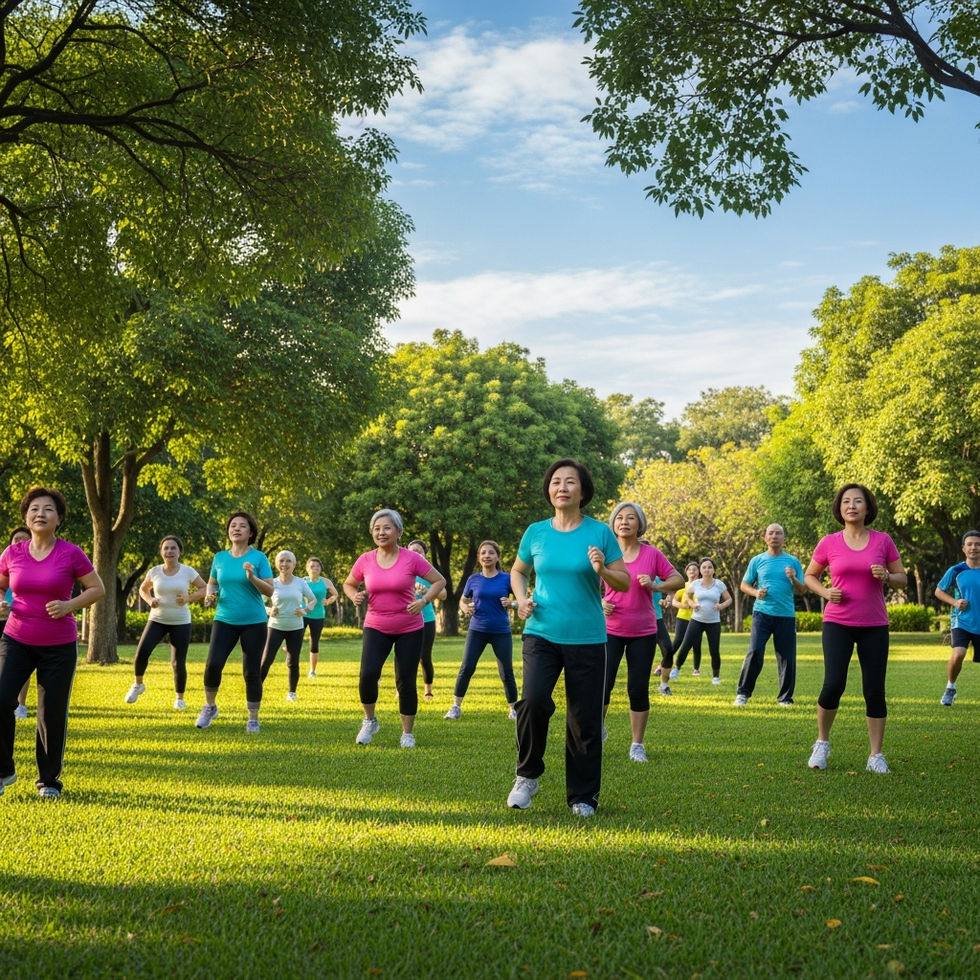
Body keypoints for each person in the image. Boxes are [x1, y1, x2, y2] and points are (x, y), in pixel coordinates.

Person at [507, 458, 629, 817]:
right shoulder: (536, 532)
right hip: (541, 631)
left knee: (584, 717)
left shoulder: (599, 533)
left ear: (583, 490)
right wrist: (520, 599)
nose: (562, 487)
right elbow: (518, 570)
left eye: (570, 482)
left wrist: (603, 568)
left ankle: (583, 797)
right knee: (531, 701)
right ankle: (527, 775)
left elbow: (621, 582)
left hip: (588, 636)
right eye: (556, 481)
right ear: (549, 490)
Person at [0, 487, 105, 799]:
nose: (40, 514)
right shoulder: (12, 554)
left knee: (51, 713)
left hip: (58, 644)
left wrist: (69, 605)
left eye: (48, 509)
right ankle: (4, 771)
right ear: (26, 516)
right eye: (34, 509)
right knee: (1, 699)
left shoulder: (71, 553)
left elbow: (96, 588)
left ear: (59, 518)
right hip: (15, 638)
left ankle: (48, 781)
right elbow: (1, 585)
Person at [804, 484, 906, 774]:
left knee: (874, 690)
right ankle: (822, 743)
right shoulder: (829, 542)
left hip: (874, 624)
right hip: (837, 622)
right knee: (833, 684)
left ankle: (875, 756)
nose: (852, 506)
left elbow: (902, 578)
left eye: (858, 501)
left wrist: (887, 575)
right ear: (839, 508)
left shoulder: (883, 541)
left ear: (867, 508)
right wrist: (825, 593)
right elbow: (810, 575)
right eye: (846, 501)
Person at [343, 510, 446, 749]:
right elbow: (349, 583)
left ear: (398, 532)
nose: (381, 532)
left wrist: (424, 601)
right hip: (376, 625)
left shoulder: (412, 558)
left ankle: (407, 733)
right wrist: (354, 595)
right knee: (368, 674)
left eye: (387, 527)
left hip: (409, 627)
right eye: (377, 528)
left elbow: (439, 581)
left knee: (406, 681)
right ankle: (369, 721)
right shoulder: (365, 559)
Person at [601, 502, 682, 761]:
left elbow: (678, 580)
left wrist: (656, 587)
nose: (624, 522)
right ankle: (596, 732)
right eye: (619, 518)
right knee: (603, 685)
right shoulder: (604, 553)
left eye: (631, 518)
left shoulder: (652, 554)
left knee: (637, 688)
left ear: (639, 524)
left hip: (642, 631)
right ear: (613, 524)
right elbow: (585, 586)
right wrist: (598, 601)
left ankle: (637, 745)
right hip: (609, 631)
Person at [197, 512, 274, 733]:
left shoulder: (259, 558)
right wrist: (210, 595)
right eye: (233, 525)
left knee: (251, 671)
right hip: (225, 619)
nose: (236, 529)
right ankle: (210, 707)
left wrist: (252, 577)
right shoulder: (219, 558)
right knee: (213, 664)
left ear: (251, 532)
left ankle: (253, 718)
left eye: (242, 526)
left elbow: (270, 590)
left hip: (254, 620)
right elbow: (212, 583)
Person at [126, 536, 207, 710]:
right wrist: (149, 600)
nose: (169, 551)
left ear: (180, 552)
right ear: (161, 552)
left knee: (178, 661)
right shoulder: (155, 571)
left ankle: (179, 699)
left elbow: (205, 588)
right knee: (142, 652)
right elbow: (143, 589)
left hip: (181, 621)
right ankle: (138, 685)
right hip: (157, 619)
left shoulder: (188, 571)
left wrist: (188, 598)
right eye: (166, 548)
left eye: (173, 548)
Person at [733, 524, 807, 707]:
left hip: (786, 615)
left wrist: (793, 578)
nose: (775, 536)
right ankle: (743, 694)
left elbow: (802, 590)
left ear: (783, 537)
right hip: (762, 613)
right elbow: (744, 585)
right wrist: (756, 592)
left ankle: (785, 698)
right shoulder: (757, 561)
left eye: (779, 533)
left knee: (787, 657)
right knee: (755, 651)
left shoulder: (793, 561)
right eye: (771, 533)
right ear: (765, 537)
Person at [444, 540, 518, 720]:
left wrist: (512, 603)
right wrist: (464, 607)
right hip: (477, 630)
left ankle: (514, 710)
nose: (486, 556)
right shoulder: (473, 579)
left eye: (491, 553)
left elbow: (520, 600)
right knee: (467, 667)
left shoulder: (507, 579)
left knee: (506, 671)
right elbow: (463, 600)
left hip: (501, 630)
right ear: (479, 557)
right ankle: (455, 707)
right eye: (483, 553)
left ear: (497, 556)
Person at [260, 551, 317, 701]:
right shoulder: (271, 583)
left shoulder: (300, 582)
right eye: (281, 561)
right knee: (266, 659)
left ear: (294, 564)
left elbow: (313, 600)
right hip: (275, 626)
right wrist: (269, 610)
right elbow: (259, 602)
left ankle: (291, 693)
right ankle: (256, 687)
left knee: (293, 661)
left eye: (288, 561)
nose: (284, 564)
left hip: (296, 627)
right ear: (277, 564)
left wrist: (305, 610)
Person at [934, 530, 980, 706]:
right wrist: (954, 602)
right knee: (959, 653)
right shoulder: (956, 570)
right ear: (963, 548)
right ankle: (950, 687)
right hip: (962, 620)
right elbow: (938, 591)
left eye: (977, 544)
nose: (974, 547)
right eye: (970, 544)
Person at [672, 559, 732, 684]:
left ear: (713, 570)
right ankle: (676, 668)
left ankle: (716, 677)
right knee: (686, 645)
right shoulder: (696, 584)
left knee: (714, 650)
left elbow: (729, 599)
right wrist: (692, 603)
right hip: (696, 620)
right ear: (700, 570)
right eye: (704, 567)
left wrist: (721, 606)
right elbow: (687, 596)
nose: (706, 569)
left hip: (713, 622)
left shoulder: (719, 584)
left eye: (709, 567)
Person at [407, 539, 447, 699]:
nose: (415, 553)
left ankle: (427, 690)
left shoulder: (428, 573)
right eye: (412, 550)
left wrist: (428, 591)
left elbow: (443, 595)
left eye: (418, 551)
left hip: (426, 620)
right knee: (402, 656)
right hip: (404, 619)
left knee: (424, 656)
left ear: (424, 554)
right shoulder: (402, 570)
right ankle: (400, 689)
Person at [0, 527, 31, 720]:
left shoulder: (36, 567)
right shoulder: (5, 563)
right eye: (16, 539)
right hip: (2, 619)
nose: (19, 542)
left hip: (21, 624)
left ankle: (21, 704)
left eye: (24, 539)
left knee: (21, 665)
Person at [302, 557, 338, 678]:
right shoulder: (302, 581)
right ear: (307, 568)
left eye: (317, 566)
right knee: (295, 639)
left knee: (314, 643)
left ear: (320, 569)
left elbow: (335, 594)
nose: (315, 568)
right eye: (312, 566)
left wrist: (328, 601)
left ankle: (312, 671)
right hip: (303, 614)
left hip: (318, 615)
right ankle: (291, 661)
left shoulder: (325, 582)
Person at [666, 562, 702, 679]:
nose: (692, 571)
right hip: (682, 618)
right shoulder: (682, 586)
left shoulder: (702, 586)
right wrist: (684, 605)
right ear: (686, 572)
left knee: (696, 644)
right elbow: (674, 601)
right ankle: (665, 664)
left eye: (695, 569)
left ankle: (696, 669)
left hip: (697, 619)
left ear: (699, 572)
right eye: (690, 569)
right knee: (677, 642)